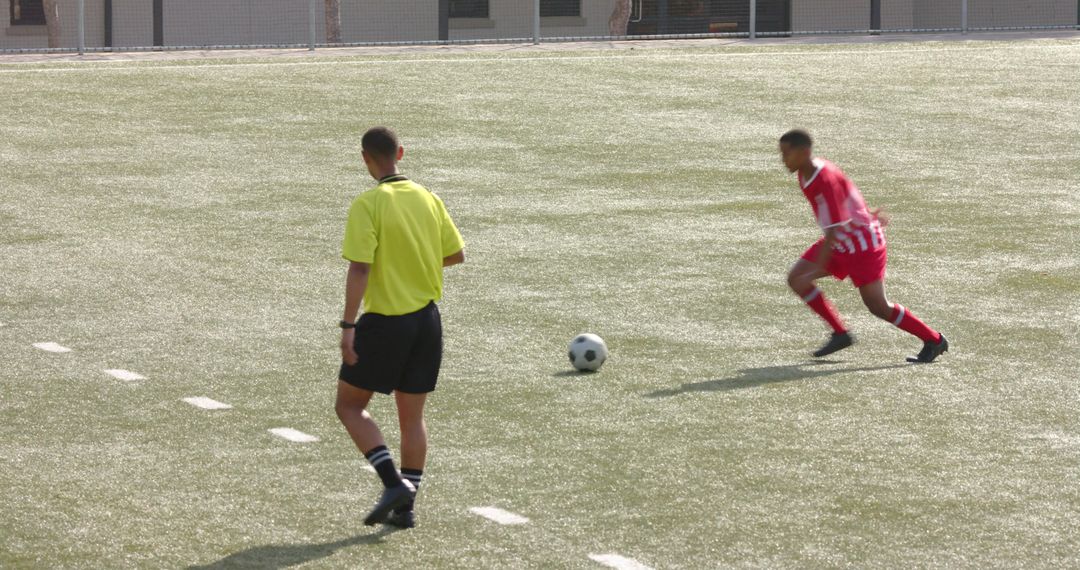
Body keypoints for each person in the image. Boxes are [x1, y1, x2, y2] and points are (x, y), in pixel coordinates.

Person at [335, 126, 465, 529]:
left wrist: (348, 325)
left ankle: (393, 484)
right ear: (401, 153)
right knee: (412, 418)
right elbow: (455, 254)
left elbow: (360, 267)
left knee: (350, 405)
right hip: (427, 321)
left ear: (364, 158)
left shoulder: (369, 203)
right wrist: (415, 265)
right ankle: (405, 509)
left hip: (385, 323)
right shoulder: (429, 198)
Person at [779, 129, 948, 363]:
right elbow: (848, 190)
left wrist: (819, 263)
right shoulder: (806, 172)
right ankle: (841, 334)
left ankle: (934, 340)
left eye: (787, 153)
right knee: (797, 278)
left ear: (804, 152)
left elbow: (834, 228)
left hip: (862, 245)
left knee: (878, 306)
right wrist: (866, 212)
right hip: (841, 241)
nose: (783, 159)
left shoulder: (823, 178)